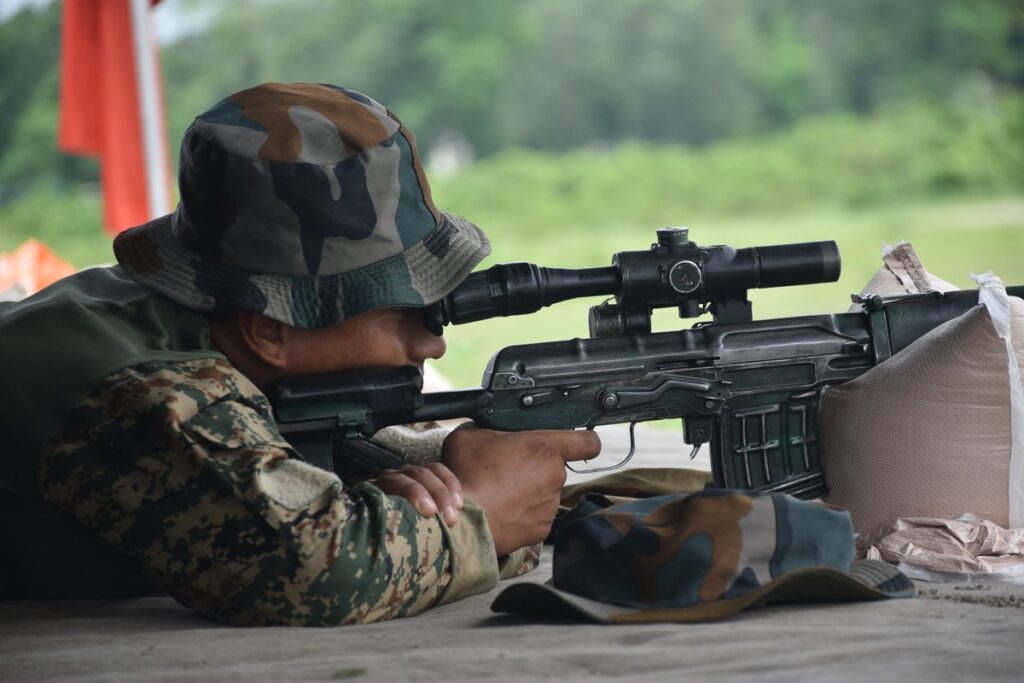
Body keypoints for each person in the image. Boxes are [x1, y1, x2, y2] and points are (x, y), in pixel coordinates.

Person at [0, 82, 600, 625]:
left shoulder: (198, 325)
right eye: (398, 313)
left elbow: (278, 454)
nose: (433, 342)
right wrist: (480, 515)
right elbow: (313, 573)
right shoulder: (139, 389)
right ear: (268, 331)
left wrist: (433, 474)